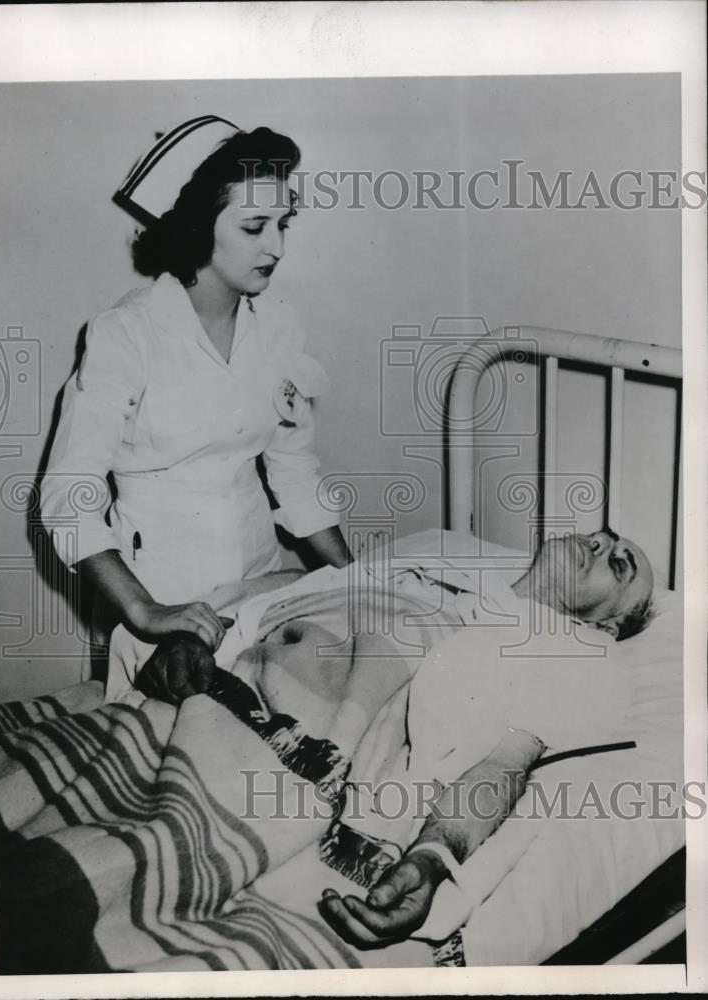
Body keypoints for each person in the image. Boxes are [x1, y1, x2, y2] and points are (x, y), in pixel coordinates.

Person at [133, 527, 654, 948]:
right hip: (216, 696)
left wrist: (432, 858)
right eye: (602, 537)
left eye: (618, 563)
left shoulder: (571, 654)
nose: (599, 545)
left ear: (607, 628)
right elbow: (280, 605)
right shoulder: (436, 567)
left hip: (292, 762)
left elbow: (503, 768)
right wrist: (192, 640)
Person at [39, 116, 351, 675]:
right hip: (161, 611)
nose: (277, 247)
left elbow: (295, 476)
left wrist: (360, 585)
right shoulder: (125, 335)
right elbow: (68, 492)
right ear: (196, 227)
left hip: (258, 594)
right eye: (255, 227)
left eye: (285, 223)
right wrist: (146, 611)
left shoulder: (279, 330)